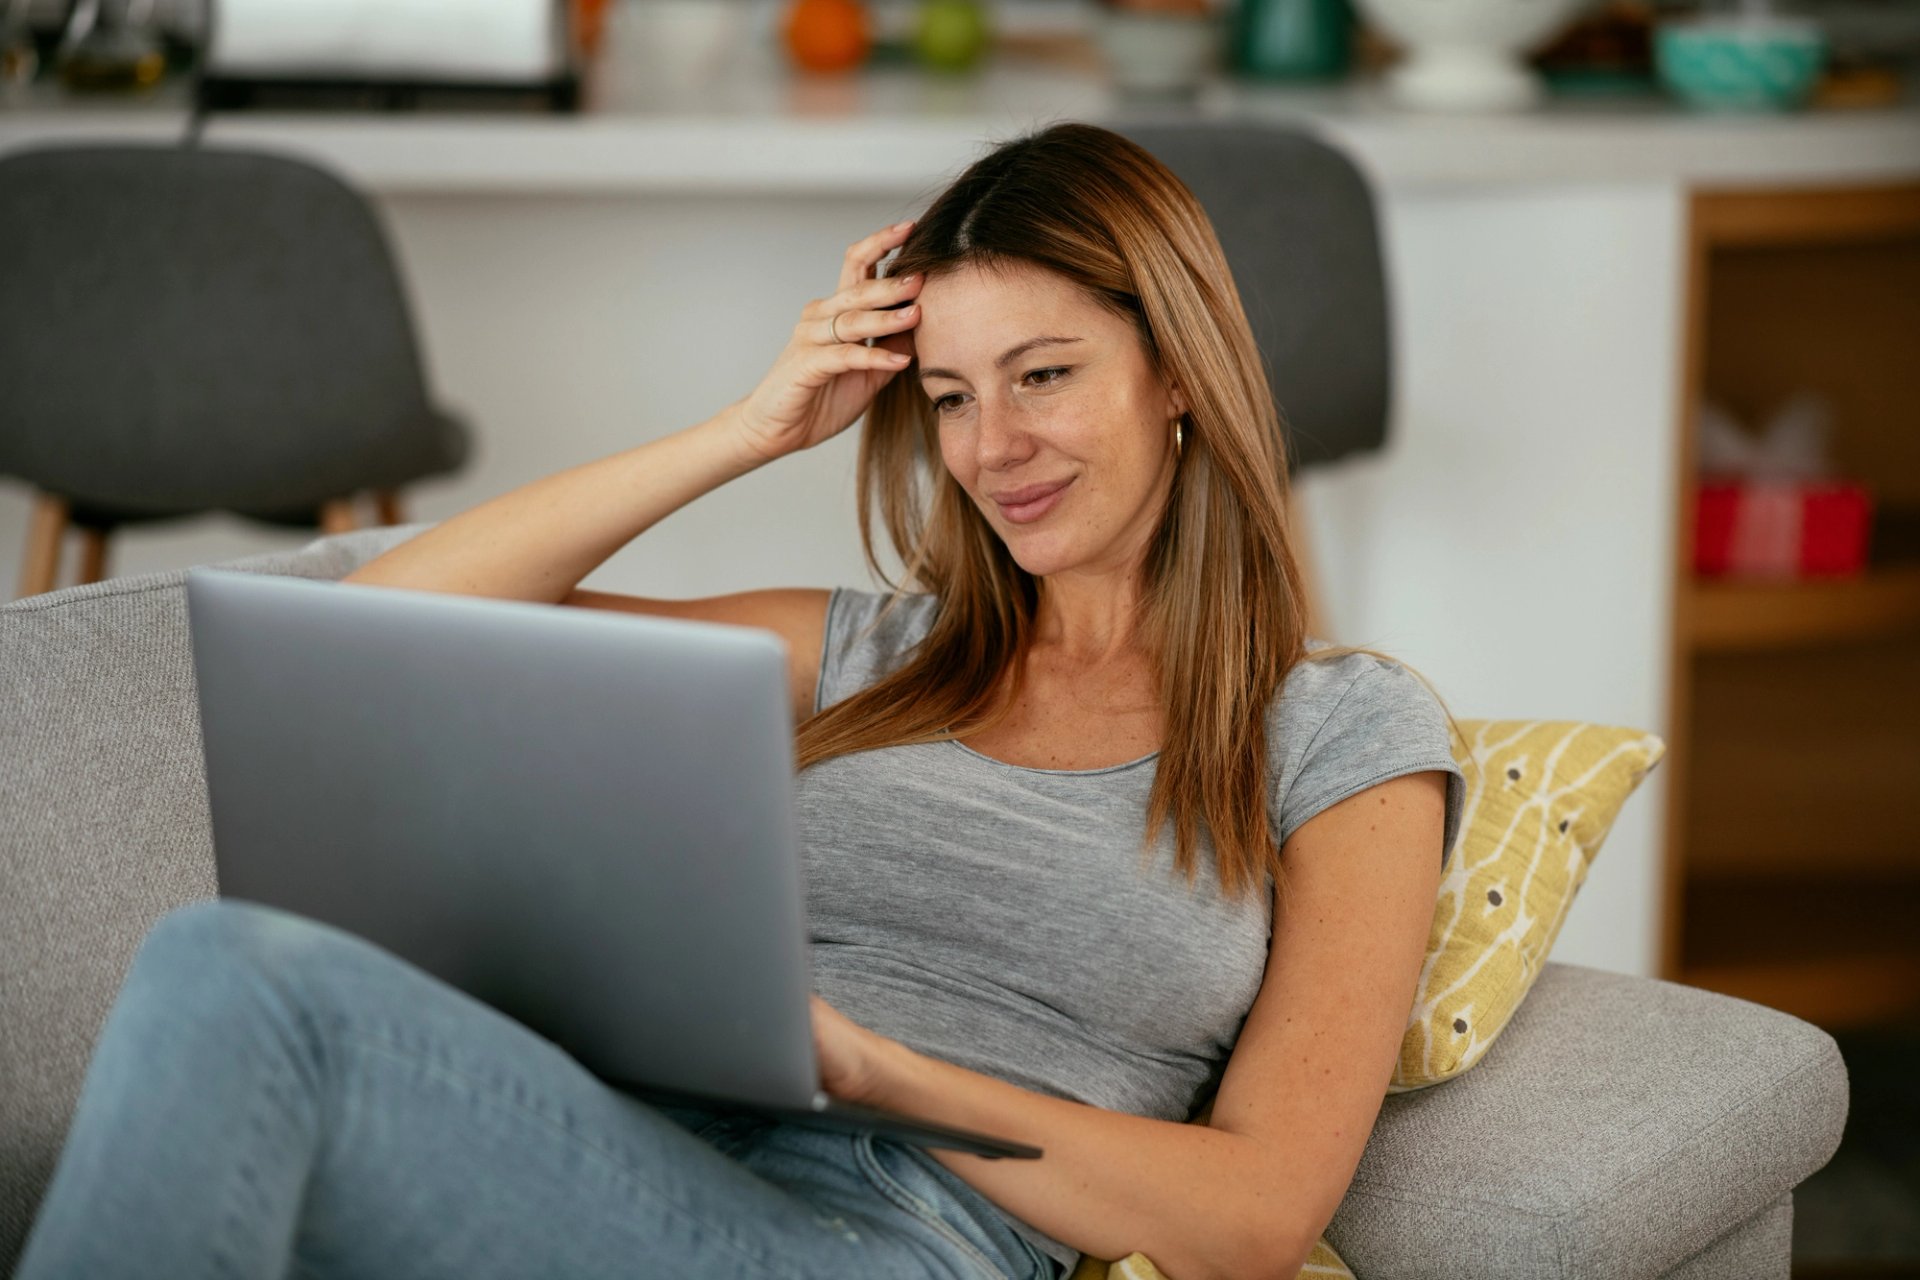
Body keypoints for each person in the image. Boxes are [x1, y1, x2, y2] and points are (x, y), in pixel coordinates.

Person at [16, 121, 1469, 1280]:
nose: (993, 446)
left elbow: (1257, 1217)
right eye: (950, 397)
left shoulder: (1342, 733)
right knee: (221, 967)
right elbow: (375, 627)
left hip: (887, 1231)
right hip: (625, 1153)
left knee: (237, 979)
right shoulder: (859, 653)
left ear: (1179, 377)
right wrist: (748, 430)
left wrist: (884, 1077)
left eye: (1043, 375)